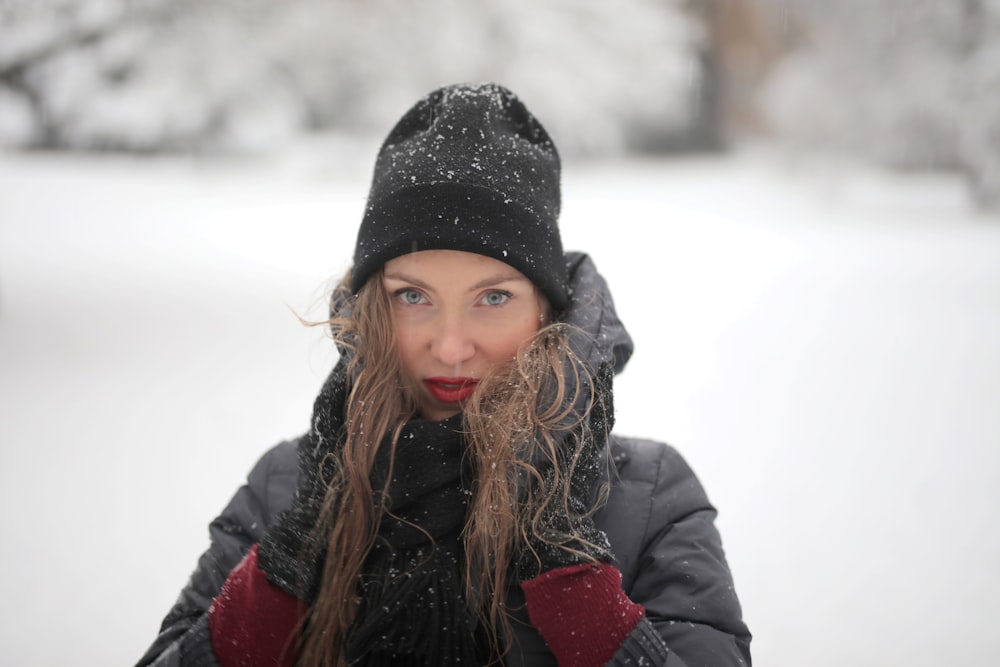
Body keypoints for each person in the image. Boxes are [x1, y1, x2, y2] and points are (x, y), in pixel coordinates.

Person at [136, 82, 751, 667]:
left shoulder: (647, 498)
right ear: (372, 307)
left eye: (493, 298)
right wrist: (296, 557)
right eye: (412, 297)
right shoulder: (287, 487)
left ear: (548, 309)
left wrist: (569, 572)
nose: (452, 348)